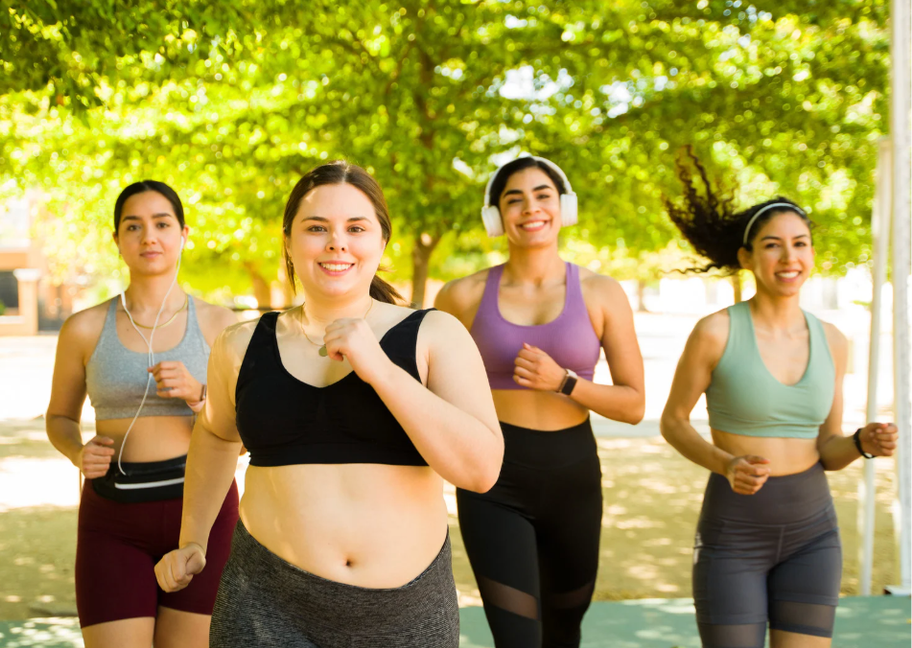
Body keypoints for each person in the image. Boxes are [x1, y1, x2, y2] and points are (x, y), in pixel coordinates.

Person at [153, 160, 503, 648]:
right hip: (265, 606)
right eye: (316, 228)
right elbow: (215, 434)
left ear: (381, 242)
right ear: (290, 243)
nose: (336, 242)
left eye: (355, 228)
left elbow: (481, 470)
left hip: (403, 614)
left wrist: (378, 368)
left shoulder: (435, 334)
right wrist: (193, 537)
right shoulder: (240, 344)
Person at [659, 153, 898, 648]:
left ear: (812, 254)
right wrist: (725, 463)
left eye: (800, 244)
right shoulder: (716, 332)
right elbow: (674, 422)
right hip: (734, 537)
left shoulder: (833, 339)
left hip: (814, 536)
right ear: (747, 257)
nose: (789, 258)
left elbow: (827, 447)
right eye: (773, 246)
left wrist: (861, 441)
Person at [435, 155, 645, 648]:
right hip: (493, 479)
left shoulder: (601, 293)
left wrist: (565, 383)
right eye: (514, 199)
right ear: (496, 217)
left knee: (564, 630)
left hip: (572, 479)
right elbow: (427, 390)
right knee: (517, 639)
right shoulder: (460, 297)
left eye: (542, 195)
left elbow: (634, 404)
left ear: (563, 207)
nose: (531, 208)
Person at [46, 181, 240, 648]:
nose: (148, 237)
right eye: (133, 226)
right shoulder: (84, 328)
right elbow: (59, 417)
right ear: (117, 240)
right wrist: (76, 450)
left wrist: (199, 395)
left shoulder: (220, 324)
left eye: (161, 224)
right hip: (112, 520)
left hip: (205, 516)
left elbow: (247, 431)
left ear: (183, 234)